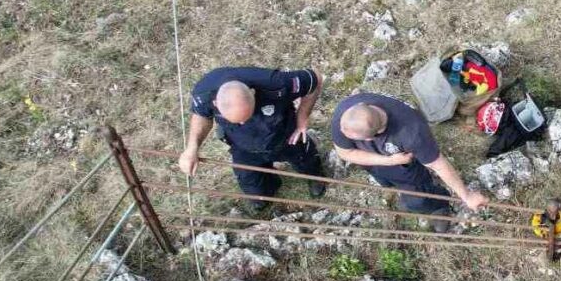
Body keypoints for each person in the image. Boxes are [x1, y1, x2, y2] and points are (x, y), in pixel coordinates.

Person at [330, 92, 488, 232]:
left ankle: (437, 205)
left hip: (404, 162)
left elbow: (437, 164)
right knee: (385, 181)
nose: (343, 136)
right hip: (381, 160)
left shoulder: (412, 131)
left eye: (354, 139)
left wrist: (467, 196)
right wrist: (388, 161)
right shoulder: (345, 114)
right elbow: (345, 152)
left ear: (374, 135)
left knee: (416, 200)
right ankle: (399, 188)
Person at [179, 67, 325, 210]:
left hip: (285, 136)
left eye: (246, 117)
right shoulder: (204, 94)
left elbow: (315, 79)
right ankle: (269, 185)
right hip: (243, 147)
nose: (243, 123)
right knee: (256, 194)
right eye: (236, 121)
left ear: (253, 93)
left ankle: (314, 177)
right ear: (216, 103)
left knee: (307, 162)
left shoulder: (276, 82)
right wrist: (192, 148)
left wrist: (302, 117)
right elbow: (201, 116)